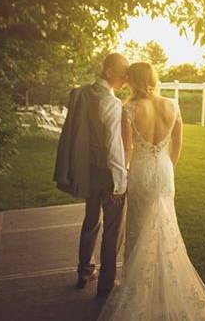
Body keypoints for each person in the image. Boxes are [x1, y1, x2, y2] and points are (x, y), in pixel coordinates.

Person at [97, 62, 205, 320]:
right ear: (153, 78)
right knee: (165, 227)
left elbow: (127, 150)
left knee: (139, 228)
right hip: (165, 172)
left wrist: (123, 178)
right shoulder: (172, 105)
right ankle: (159, 285)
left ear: (132, 81)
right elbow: (178, 143)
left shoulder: (129, 109)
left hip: (141, 173)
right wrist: (168, 166)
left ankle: (137, 288)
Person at [75, 53, 131, 297]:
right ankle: (106, 285)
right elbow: (114, 148)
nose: (125, 81)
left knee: (90, 221)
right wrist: (120, 183)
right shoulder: (112, 103)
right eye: (123, 75)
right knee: (111, 230)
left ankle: (84, 272)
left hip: (89, 172)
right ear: (109, 71)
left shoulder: (82, 95)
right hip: (108, 175)